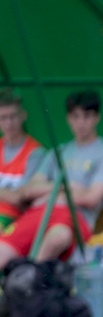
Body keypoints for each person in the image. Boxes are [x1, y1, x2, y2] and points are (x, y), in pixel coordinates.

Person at [0, 90, 103, 270]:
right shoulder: (58, 152)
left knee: (57, 238)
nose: (81, 123)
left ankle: (30, 278)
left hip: (74, 217)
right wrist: (65, 187)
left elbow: (92, 198)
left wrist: (48, 194)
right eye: (76, 116)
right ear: (68, 119)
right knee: (3, 250)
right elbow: (29, 190)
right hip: (40, 213)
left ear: (96, 118)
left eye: (87, 116)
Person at [0, 88, 46, 229]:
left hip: (14, 218)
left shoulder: (35, 153)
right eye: (3, 118)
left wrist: (14, 196)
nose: (9, 123)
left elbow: (20, 198)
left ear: (23, 116)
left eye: (13, 116)